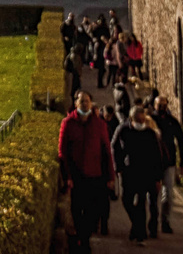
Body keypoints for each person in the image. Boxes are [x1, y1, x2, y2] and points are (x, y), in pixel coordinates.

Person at [58, 90, 115, 253]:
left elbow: (106, 151)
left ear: (91, 104)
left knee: (93, 212)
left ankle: (83, 238)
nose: (84, 104)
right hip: (77, 177)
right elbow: (63, 152)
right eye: (82, 101)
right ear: (76, 104)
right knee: (77, 210)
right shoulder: (68, 123)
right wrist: (67, 176)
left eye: (87, 101)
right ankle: (83, 242)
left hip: (95, 176)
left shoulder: (99, 124)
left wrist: (110, 176)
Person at [112, 104, 164, 241]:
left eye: (142, 120)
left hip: (145, 173)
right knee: (126, 200)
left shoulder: (150, 134)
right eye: (138, 120)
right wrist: (118, 168)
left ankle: (139, 232)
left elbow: (157, 156)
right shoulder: (123, 130)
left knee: (141, 202)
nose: (141, 123)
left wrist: (158, 178)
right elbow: (114, 147)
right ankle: (137, 225)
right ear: (132, 118)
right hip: (128, 172)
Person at [150, 95, 183, 234]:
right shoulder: (150, 121)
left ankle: (165, 221)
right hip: (152, 163)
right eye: (159, 105)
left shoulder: (172, 122)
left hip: (169, 162)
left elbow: (181, 141)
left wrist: (182, 164)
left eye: (164, 105)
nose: (162, 108)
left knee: (168, 194)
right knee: (153, 194)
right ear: (155, 105)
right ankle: (153, 220)